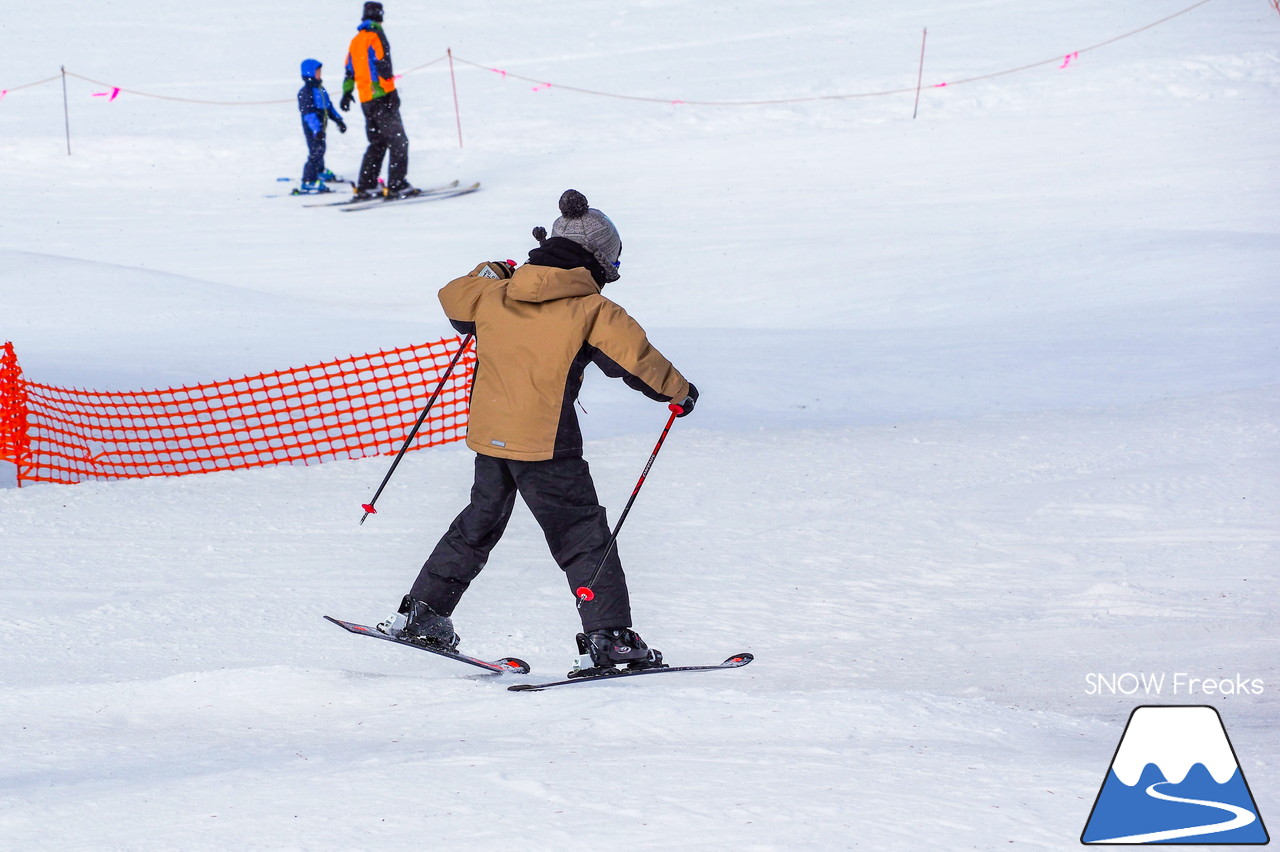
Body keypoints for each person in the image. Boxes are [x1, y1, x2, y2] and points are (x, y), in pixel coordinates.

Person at [380, 190, 699, 674]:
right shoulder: (591, 309)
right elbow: (637, 361)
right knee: (581, 533)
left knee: (478, 524)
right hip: (547, 440)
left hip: (490, 435)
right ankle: (610, 639)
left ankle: (423, 615)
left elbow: (453, 294)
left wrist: (496, 269)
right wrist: (680, 392)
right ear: (598, 262)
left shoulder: (495, 293)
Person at [339, 2, 416, 199]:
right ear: (380, 16)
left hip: (366, 100)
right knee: (399, 142)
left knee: (377, 142)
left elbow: (349, 70)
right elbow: (384, 66)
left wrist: (347, 93)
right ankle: (397, 185)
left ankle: (366, 185)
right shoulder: (377, 35)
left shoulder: (356, 40)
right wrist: (392, 93)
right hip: (381, 97)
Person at [296, 59, 346, 193]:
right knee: (315, 152)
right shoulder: (306, 92)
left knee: (320, 149)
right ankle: (308, 180)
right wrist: (316, 130)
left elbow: (328, 107)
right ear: (309, 73)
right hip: (312, 128)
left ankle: (320, 171)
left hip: (320, 127)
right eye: (317, 72)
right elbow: (309, 114)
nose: (320, 74)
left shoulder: (320, 89)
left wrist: (338, 120)